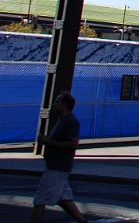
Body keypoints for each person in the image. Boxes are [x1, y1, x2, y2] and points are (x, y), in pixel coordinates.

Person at [31, 92, 86, 223]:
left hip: (58, 167)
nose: (55, 104)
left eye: (58, 102)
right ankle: (82, 221)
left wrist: (50, 143)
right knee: (64, 198)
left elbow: (73, 144)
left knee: (40, 198)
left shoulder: (71, 122)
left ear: (65, 104)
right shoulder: (62, 120)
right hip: (57, 166)